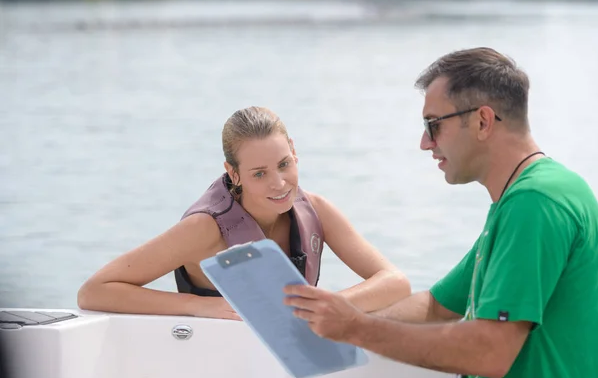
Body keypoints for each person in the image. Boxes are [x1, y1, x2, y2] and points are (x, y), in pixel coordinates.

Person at [284, 47, 598, 378]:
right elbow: (437, 307)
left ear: (483, 121)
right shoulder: (534, 194)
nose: (424, 142)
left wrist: (356, 328)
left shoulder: (535, 202)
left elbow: (491, 352)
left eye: (433, 124)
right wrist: (334, 320)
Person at [78, 106, 411, 320]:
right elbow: (95, 291)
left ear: (294, 151)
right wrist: (199, 306)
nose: (279, 183)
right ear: (233, 173)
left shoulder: (317, 211)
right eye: (259, 173)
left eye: (285, 164)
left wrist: (326, 307)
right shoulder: (205, 228)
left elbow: (396, 283)